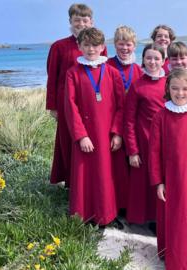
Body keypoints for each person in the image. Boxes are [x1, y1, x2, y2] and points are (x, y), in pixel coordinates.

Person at [149, 68, 187, 269]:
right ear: (168, 89)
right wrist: (158, 182)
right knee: (174, 219)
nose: (180, 93)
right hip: (170, 180)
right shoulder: (160, 116)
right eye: (175, 88)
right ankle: (173, 255)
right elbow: (153, 152)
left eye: (185, 89)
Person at [64, 27, 124, 226]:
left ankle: (108, 215)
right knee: (86, 175)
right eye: (87, 45)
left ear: (103, 47)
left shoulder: (113, 73)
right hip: (87, 134)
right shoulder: (73, 73)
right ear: (79, 46)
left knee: (107, 175)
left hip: (107, 134)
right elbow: (70, 107)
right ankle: (85, 215)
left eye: (95, 45)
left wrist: (117, 132)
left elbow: (121, 106)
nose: (91, 49)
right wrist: (81, 136)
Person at [46, 3, 107, 186]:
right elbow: (52, 78)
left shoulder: (99, 46)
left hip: (92, 102)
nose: (81, 23)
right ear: (70, 21)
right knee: (69, 141)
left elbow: (103, 75)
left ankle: (91, 180)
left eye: (85, 20)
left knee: (94, 141)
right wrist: (52, 106)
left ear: (91, 21)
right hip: (67, 102)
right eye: (77, 20)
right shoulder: (59, 46)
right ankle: (72, 183)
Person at [124, 44, 166, 226]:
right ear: (143, 60)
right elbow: (129, 120)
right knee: (145, 182)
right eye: (149, 58)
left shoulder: (171, 83)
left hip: (166, 142)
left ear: (164, 61)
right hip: (143, 140)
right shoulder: (137, 85)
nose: (152, 62)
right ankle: (147, 219)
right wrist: (132, 150)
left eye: (157, 58)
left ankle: (162, 217)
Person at [106, 25, 142, 212]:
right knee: (117, 168)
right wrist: (116, 131)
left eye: (128, 44)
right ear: (115, 45)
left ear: (134, 45)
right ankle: (117, 206)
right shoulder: (107, 66)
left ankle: (132, 207)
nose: (125, 48)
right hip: (114, 123)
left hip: (134, 125)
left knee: (134, 167)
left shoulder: (138, 70)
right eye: (121, 44)